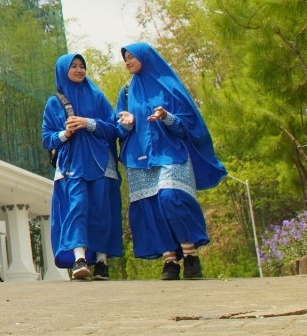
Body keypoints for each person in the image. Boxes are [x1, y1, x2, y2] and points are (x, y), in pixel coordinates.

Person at [116, 42, 227, 280]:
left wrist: (166, 117)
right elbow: (120, 131)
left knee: (170, 197)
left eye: (132, 56)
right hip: (138, 158)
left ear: (146, 57)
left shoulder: (169, 86)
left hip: (170, 153)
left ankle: (190, 255)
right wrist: (126, 124)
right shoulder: (125, 92)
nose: (127, 61)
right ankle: (170, 261)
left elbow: (189, 125)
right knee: (151, 208)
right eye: (125, 58)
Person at [41, 53, 128, 280]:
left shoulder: (97, 96)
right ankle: (79, 258)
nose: (79, 70)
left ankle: (101, 261)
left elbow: (114, 129)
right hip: (71, 165)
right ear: (63, 71)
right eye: (74, 67)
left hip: (101, 163)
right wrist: (65, 133)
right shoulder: (54, 103)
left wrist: (90, 123)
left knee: (101, 211)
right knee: (76, 208)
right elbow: (46, 138)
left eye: (82, 66)